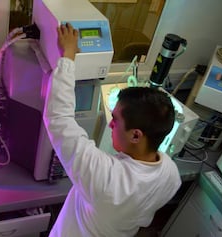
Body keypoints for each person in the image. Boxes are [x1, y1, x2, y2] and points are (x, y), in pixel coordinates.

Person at [43, 23, 182, 237]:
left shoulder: (106, 178)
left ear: (136, 135)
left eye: (115, 120)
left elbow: (59, 119)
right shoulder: (171, 174)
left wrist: (68, 57)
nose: (110, 124)